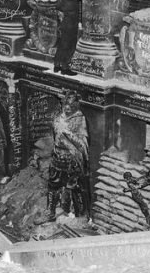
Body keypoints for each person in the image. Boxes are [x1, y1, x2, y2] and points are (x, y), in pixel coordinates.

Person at [36, 91, 89, 223]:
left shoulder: (79, 119)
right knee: (53, 184)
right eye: (65, 104)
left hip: (72, 159)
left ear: (76, 105)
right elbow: (56, 135)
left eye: (70, 104)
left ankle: (81, 215)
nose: (67, 107)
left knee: (75, 186)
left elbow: (82, 142)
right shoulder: (59, 117)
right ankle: (50, 212)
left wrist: (67, 133)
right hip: (58, 156)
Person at [53, 0, 89, 76]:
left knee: (63, 44)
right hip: (70, 24)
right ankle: (65, 67)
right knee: (70, 45)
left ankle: (57, 65)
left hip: (65, 23)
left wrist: (61, 15)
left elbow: (58, 7)